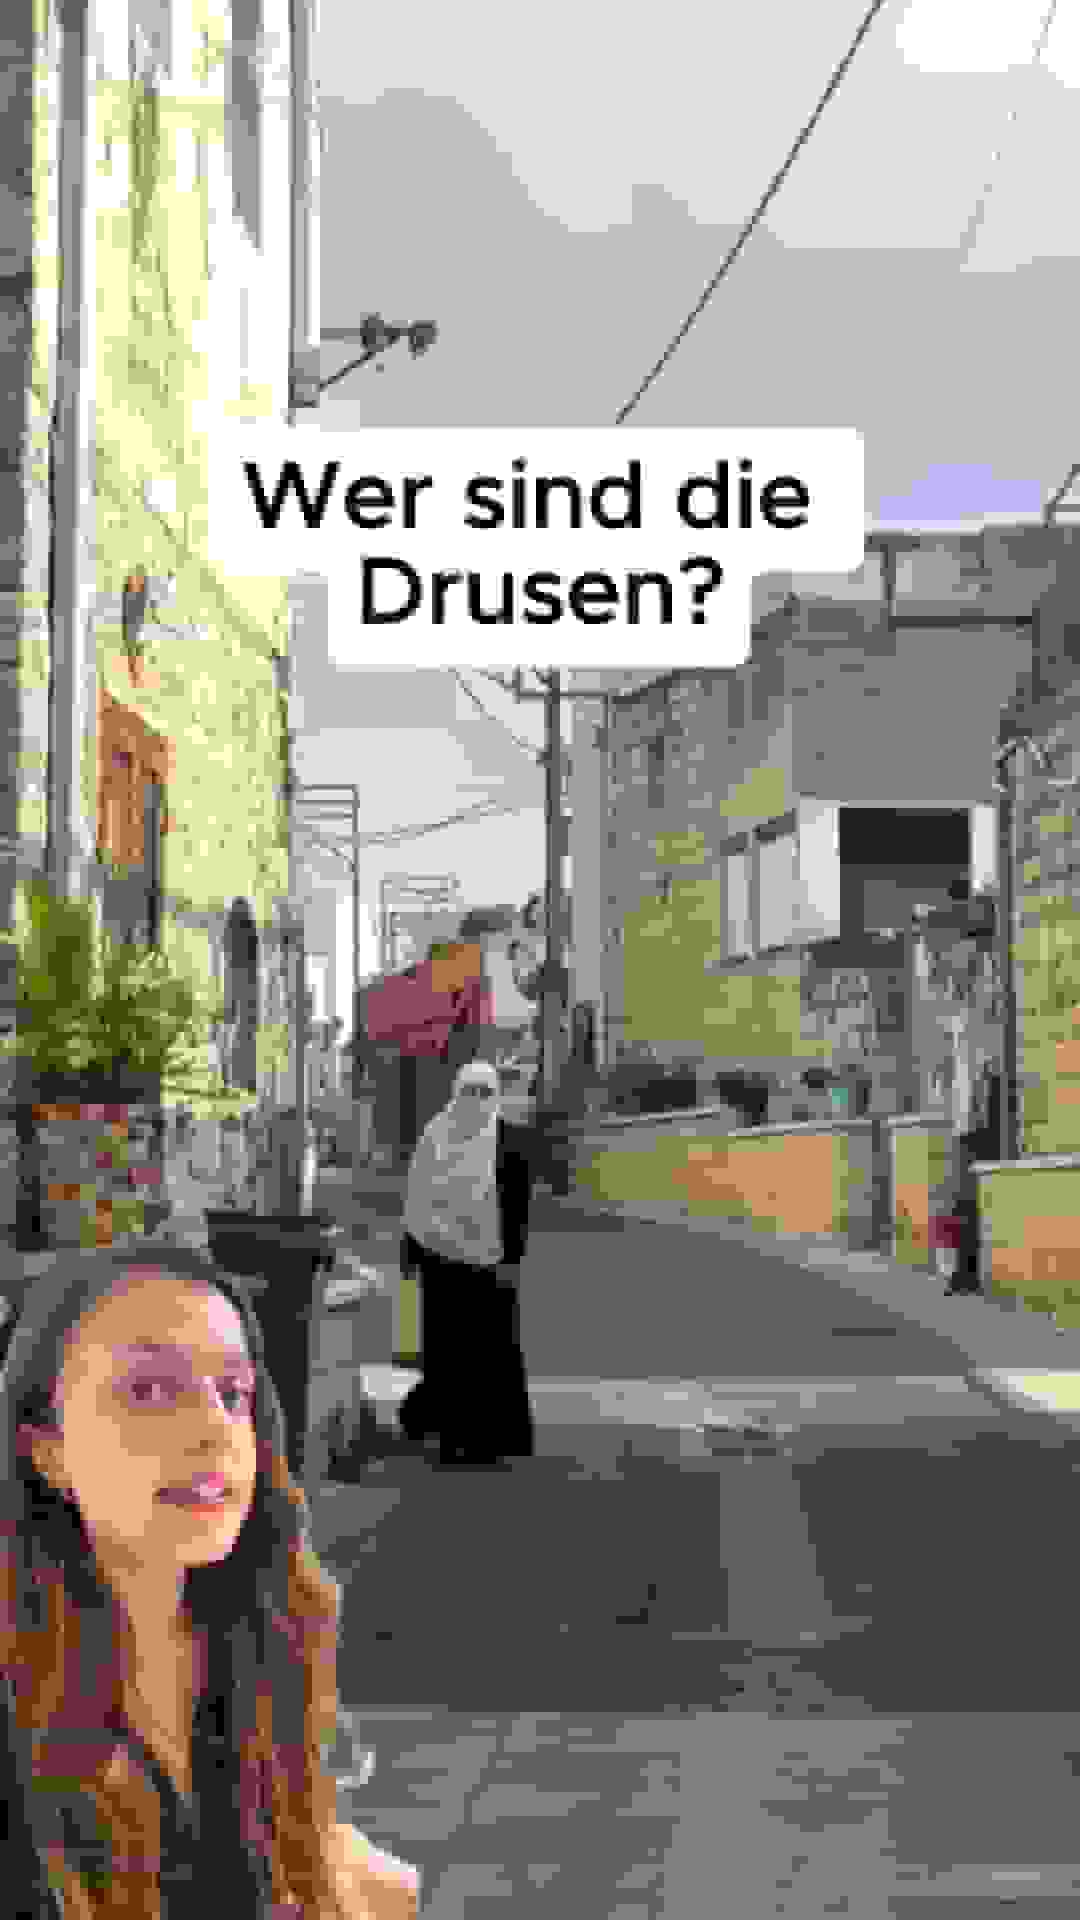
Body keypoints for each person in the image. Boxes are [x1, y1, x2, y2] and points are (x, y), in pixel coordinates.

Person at [0, 1240, 420, 1918]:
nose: (215, 1431)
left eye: (232, 1394)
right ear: (47, 1450)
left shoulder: (258, 1633)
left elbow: (311, 1861)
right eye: (148, 1392)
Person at [396, 1060, 536, 1468]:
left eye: (484, 1092)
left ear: (496, 1096)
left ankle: (493, 1438)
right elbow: (416, 1197)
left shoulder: (510, 1140)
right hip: (441, 1265)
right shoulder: (435, 1136)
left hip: (490, 1265)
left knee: (492, 1353)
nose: (476, 1100)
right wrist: (411, 1253)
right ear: (455, 1092)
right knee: (448, 1352)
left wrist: (512, 1260)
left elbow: (518, 1207)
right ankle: (451, 1435)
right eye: (469, 1091)